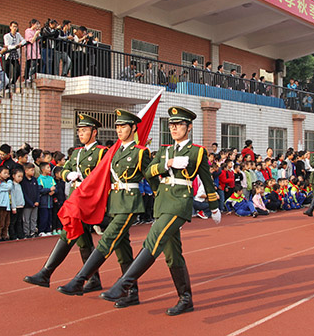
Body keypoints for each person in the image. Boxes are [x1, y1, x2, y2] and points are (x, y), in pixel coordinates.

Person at [100, 106, 221, 316]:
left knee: (154, 237)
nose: (174, 128)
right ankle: (185, 299)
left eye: (179, 124)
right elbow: (148, 172)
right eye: (171, 124)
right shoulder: (165, 151)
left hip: (179, 202)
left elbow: (207, 180)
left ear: (189, 127)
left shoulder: (197, 151)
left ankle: (124, 284)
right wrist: (168, 164)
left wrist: (214, 206)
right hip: (162, 202)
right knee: (173, 255)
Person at [59, 110, 150, 308]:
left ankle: (80, 279)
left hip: (130, 203)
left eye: (123, 126)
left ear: (133, 128)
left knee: (108, 239)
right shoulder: (113, 152)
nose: (119, 130)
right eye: (117, 127)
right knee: (122, 248)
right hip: (114, 203)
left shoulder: (141, 152)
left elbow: (152, 178)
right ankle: (132, 292)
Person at [24, 114, 107, 289]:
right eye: (79, 131)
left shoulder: (101, 152)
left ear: (94, 132)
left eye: (84, 130)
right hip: (75, 198)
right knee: (83, 240)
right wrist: (67, 174)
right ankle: (93, 279)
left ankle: (46, 273)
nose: (80, 134)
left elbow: (104, 175)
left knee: (69, 232)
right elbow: (60, 170)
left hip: (89, 200)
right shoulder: (77, 153)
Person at [21, 162, 39, 238]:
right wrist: (30, 203)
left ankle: (33, 231)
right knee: (26, 219)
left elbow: (37, 191)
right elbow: (24, 194)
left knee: (34, 218)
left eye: (33, 170)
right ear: (26, 171)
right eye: (31, 170)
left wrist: (37, 201)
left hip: (35, 203)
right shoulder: (23, 181)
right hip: (27, 204)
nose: (33, 172)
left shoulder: (34, 180)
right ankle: (26, 232)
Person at [3, 21, 25, 85]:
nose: (15, 28)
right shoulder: (6, 36)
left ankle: (12, 83)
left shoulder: (18, 35)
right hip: (8, 54)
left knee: (18, 69)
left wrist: (20, 44)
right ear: (10, 27)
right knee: (7, 70)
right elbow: (7, 46)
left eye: (16, 27)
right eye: (13, 27)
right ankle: (6, 84)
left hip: (15, 54)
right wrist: (15, 46)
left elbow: (24, 40)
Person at [0, 166, 12, 241]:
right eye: (4, 173)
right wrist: (9, 181)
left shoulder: (5, 182)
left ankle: (4, 235)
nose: (6, 175)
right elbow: (9, 187)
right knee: (0, 222)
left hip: (7, 205)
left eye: (7, 173)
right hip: (1, 205)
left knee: (7, 222)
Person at [9, 168, 25, 240]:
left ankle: (20, 234)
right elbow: (12, 197)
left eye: (21, 177)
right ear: (13, 176)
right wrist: (13, 207)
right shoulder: (12, 185)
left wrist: (23, 203)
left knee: (19, 221)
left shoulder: (19, 185)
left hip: (20, 206)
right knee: (13, 222)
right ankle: (13, 235)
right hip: (15, 206)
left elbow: (21, 195)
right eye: (18, 176)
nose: (20, 178)